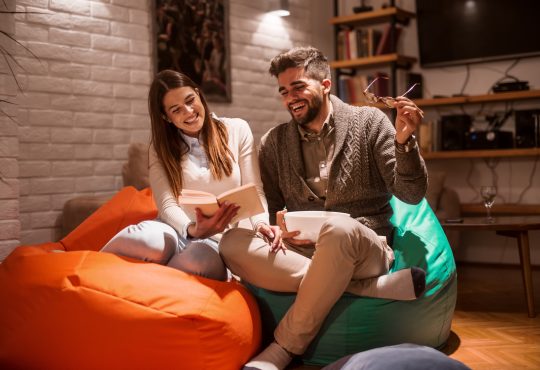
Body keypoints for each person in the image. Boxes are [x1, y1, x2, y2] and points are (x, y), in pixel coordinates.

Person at [219, 46, 428, 370]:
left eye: (299, 87)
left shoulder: (369, 122)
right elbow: (272, 208)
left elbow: (411, 194)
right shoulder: (274, 143)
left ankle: (283, 348)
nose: (291, 98)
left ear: (326, 85)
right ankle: (367, 289)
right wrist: (276, 228)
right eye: (284, 91)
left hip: (363, 244)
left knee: (339, 228)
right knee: (230, 243)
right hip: (302, 250)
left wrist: (405, 143)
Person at [101, 69, 282, 281]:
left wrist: (260, 224)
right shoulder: (160, 148)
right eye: (176, 109)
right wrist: (192, 229)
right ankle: (91, 272)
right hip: (176, 230)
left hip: (219, 240)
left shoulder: (237, 129)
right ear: (165, 117)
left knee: (196, 261)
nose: (188, 112)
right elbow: (166, 204)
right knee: (143, 239)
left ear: (198, 94)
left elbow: (255, 189)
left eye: (190, 100)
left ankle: (153, 290)